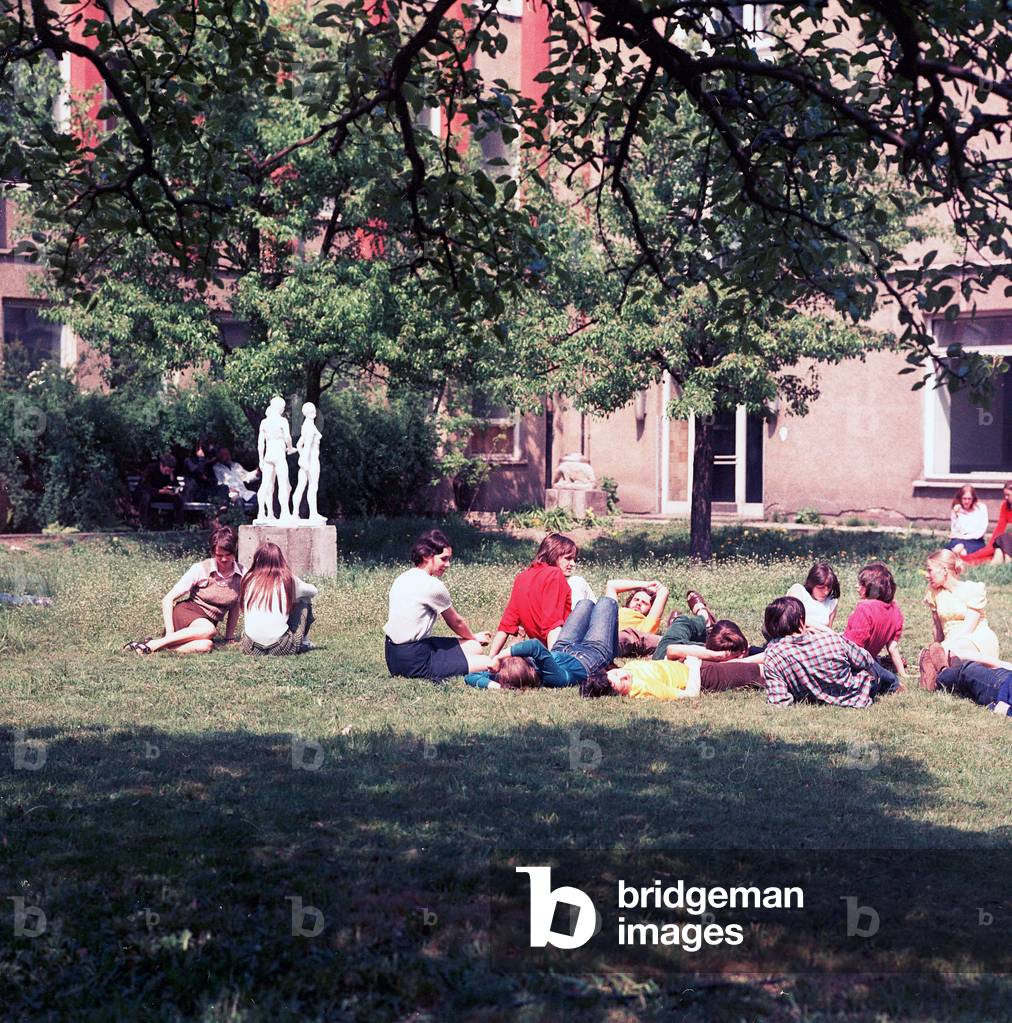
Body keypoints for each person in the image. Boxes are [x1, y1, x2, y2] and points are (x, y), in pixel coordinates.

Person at [384, 528, 493, 679]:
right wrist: (473, 637)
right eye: (444, 559)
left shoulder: (403, 577)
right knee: (487, 662)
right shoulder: (432, 586)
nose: (448, 564)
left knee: (475, 648)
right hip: (414, 661)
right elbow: (456, 622)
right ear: (427, 556)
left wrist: (473, 640)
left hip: (393, 654)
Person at [761, 596, 899, 708]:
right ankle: (894, 684)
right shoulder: (830, 639)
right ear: (802, 621)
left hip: (813, 696)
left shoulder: (773, 654)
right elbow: (865, 660)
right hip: (856, 694)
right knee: (869, 663)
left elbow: (778, 700)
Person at [124, 525, 243, 654]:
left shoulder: (243, 574)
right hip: (188, 613)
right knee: (209, 630)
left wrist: (229, 637)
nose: (224, 559)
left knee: (206, 646)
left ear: (235, 550)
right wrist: (170, 633)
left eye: (228, 554)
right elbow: (167, 599)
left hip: (204, 625)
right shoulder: (201, 569)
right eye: (219, 555)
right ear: (213, 552)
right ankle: (156, 643)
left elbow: (235, 605)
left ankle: (153, 647)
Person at [466, 596, 618, 691]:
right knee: (607, 603)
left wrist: (500, 686)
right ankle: (611, 656)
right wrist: (499, 657)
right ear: (529, 668)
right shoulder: (553, 678)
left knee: (584, 604)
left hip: (563, 647)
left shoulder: (508, 676)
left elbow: (471, 677)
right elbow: (534, 646)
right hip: (592, 655)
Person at [919, 548, 999, 687]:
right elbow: (937, 629)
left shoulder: (973, 589)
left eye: (930, 570)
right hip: (951, 643)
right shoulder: (934, 593)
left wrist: (944, 647)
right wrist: (934, 650)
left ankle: (1000, 665)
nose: (927, 575)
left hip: (976, 639)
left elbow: (969, 629)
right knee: (930, 654)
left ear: (944, 569)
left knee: (954, 651)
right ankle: (944, 676)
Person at [488, 533, 576, 655]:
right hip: (567, 647)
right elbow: (552, 624)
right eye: (568, 558)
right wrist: (555, 663)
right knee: (580, 584)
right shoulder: (554, 574)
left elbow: (507, 624)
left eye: (574, 559)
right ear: (553, 554)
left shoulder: (521, 578)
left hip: (545, 646)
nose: (573, 564)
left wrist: (491, 657)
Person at [239, 542, 317, 656]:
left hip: (250, 648)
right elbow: (313, 591)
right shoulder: (288, 579)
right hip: (281, 648)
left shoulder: (247, 579)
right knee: (304, 599)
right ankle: (304, 641)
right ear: (280, 559)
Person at [842, 561, 906, 680]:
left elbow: (853, 645)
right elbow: (892, 648)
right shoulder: (895, 611)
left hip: (851, 661)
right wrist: (902, 673)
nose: (857, 586)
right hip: (869, 660)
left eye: (862, 584)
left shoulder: (864, 608)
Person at [580, 656, 702, 701]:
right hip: (699, 672)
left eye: (616, 673)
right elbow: (691, 695)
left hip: (677, 660)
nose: (624, 675)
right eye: (623, 682)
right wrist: (694, 665)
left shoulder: (628, 668)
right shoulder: (645, 688)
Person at [606, 577, 669, 656]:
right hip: (602, 630)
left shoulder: (647, 623)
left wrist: (656, 588)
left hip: (616, 640)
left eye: (644, 603)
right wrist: (645, 585)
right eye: (636, 599)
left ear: (651, 608)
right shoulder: (617, 610)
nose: (639, 603)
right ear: (630, 600)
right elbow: (611, 585)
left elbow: (664, 592)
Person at [932, 656, 1012, 716]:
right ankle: (951, 667)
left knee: (966, 672)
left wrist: (1001, 703)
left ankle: (939, 672)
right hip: (1005, 680)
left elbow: (1004, 708)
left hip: (999, 687)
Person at [961, 481, 1012, 564]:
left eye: (1008, 495)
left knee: (1004, 538)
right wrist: (991, 545)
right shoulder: (1005, 506)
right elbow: (1000, 528)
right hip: (1005, 541)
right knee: (996, 547)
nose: (1005, 497)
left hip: (1008, 540)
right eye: (1004, 495)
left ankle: (1006, 561)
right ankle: (996, 565)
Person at [786, 561, 840, 628]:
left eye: (829, 588)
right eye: (821, 588)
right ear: (811, 584)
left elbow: (829, 630)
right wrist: (823, 628)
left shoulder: (831, 601)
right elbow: (794, 617)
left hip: (819, 637)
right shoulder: (799, 590)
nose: (826, 592)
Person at [137, 453, 183, 529]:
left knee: (179, 498)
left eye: (170, 471)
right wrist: (159, 491)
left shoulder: (171, 473)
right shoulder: (151, 468)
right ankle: (144, 525)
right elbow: (144, 485)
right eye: (167, 470)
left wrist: (172, 487)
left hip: (164, 494)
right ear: (161, 465)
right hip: (151, 493)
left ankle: (178, 525)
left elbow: (175, 485)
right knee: (146, 497)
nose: (168, 473)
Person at [945, 484, 988, 556]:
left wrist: (962, 536)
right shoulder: (957, 509)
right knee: (956, 549)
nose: (967, 501)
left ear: (973, 499)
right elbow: (955, 531)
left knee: (963, 553)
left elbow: (980, 533)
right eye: (964, 498)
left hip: (975, 541)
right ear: (960, 498)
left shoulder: (981, 508)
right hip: (959, 540)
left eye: (969, 499)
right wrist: (956, 515)